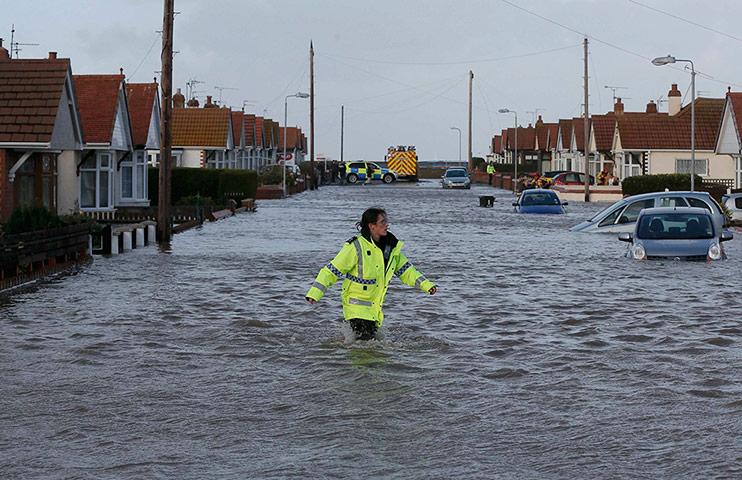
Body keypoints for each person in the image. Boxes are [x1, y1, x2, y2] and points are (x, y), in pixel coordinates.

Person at [305, 207, 437, 340]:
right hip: (356, 309)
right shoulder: (356, 247)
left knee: (369, 349)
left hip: (374, 310)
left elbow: (407, 271)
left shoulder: (391, 248)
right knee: (365, 349)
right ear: (371, 226)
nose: (387, 225)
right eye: (383, 222)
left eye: (386, 221)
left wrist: (426, 285)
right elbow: (331, 271)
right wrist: (315, 293)